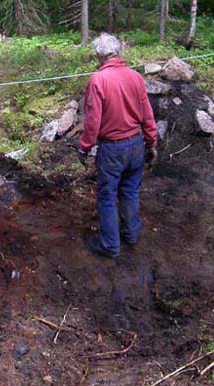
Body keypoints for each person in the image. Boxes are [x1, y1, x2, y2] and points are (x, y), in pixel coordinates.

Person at [77, 33, 158, 258]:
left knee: (106, 196)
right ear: (118, 52)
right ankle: (131, 234)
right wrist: (151, 142)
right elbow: (147, 114)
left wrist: (84, 147)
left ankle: (110, 245)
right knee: (130, 190)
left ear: (100, 55)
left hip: (112, 148)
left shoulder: (98, 80)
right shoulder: (135, 77)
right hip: (136, 145)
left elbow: (93, 121)